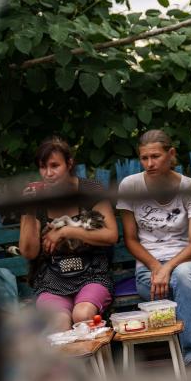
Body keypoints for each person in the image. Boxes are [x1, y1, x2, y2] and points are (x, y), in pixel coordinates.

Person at [116, 130, 191, 365]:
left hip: (186, 262)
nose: (149, 164)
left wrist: (166, 268)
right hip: (148, 268)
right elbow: (130, 239)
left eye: (155, 156)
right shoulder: (130, 186)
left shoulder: (189, 186)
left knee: (184, 276)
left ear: (171, 154)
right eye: (144, 158)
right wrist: (155, 268)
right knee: (179, 282)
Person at [19, 137, 118, 332]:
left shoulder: (90, 190)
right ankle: (72, 364)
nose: (48, 173)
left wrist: (66, 231)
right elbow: (29, 253)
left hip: (93, 273)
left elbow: (111, 235)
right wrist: (28, 211)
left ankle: (101, 362)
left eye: (55, 166)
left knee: (83, 315)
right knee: (58, 323)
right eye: (43, 167)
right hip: (51, 279)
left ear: (69, 164)